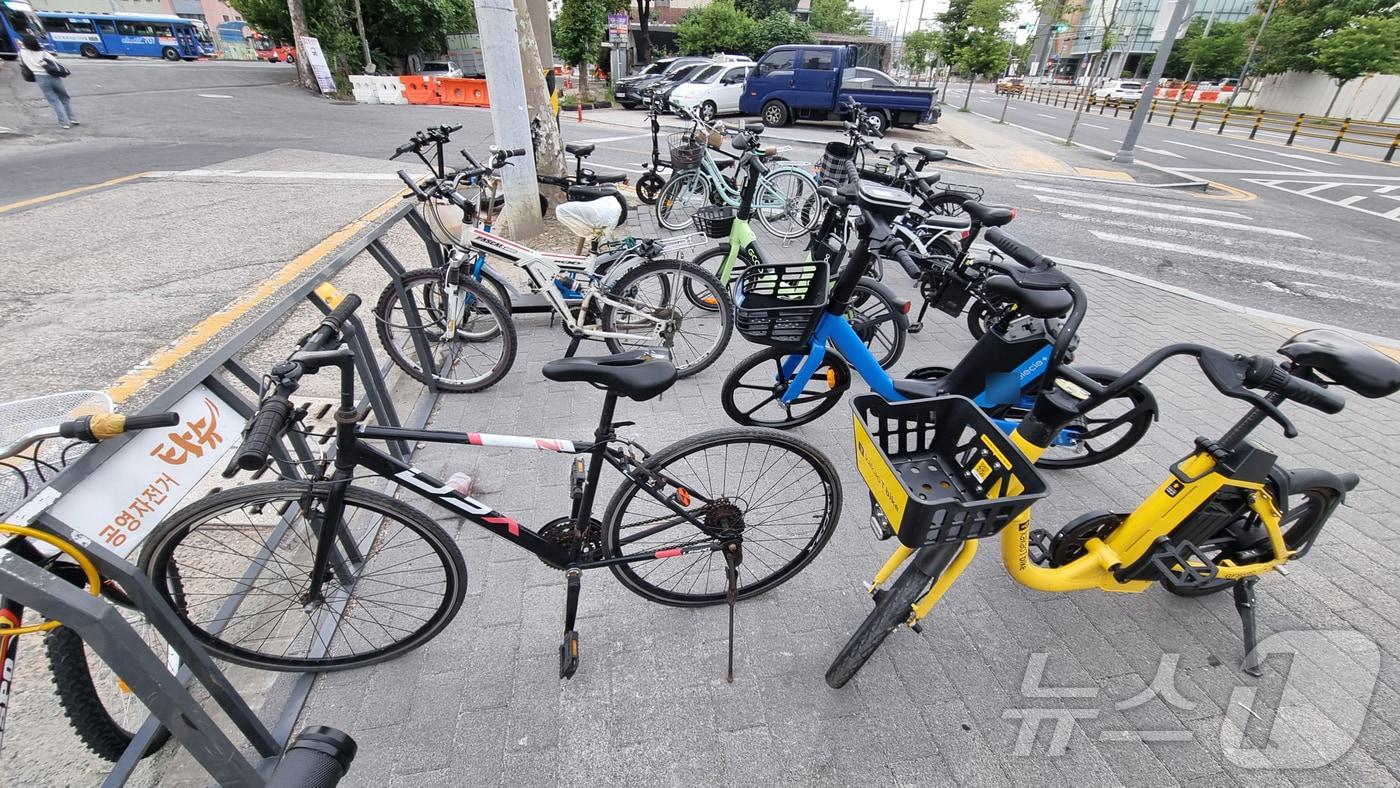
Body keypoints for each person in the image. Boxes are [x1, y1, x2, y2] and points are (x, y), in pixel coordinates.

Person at [19, 34, 79, 129]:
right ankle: (72, 118)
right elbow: (56, 62)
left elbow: (22, 62)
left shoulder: (22, 53)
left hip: (39, 77)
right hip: (53, 76)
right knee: (64, 98)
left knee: (54, 100)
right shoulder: (43, 53)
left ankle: (64, 123)